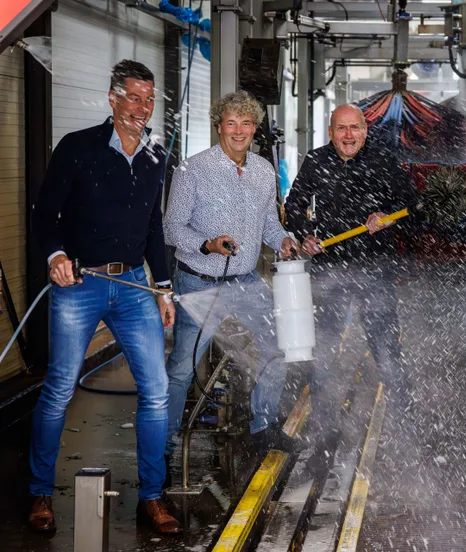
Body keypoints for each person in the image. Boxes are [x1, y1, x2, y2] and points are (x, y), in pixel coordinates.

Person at [29, 60, 181, 534]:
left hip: (135, 286)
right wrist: (55, 255)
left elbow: (154, 228)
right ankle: (39, 496)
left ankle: (151, 498)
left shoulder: (157, 157)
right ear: (112, 98)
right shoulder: (77, 149)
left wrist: (164, 288)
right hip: (81, 286)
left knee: (155, 393)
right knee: (58, 391)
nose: (142, 107)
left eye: (149, 98)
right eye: (133, 97)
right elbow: (44, 214)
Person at [163, 91, 299, 466]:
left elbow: (269, 224)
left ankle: (263, 428)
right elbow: (172, 228)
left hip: (245, 282)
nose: (239, 131)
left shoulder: (263, 170)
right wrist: (206, 244)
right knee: (181, 369)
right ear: (218, 125)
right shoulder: (192, 170)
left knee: (276, 348)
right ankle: (164, 446)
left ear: (255, 128)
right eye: (231, 122)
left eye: (247, 123)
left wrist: (284, 241)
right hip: (199, 281)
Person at [284, 103, 417, 459]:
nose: (348, 135)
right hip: (329, 272)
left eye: (354, 128)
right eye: (341, 129)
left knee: (387, 355)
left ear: (365, 130)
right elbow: (294, 205)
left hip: (375, 271)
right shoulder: (315, 161)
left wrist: (387, 217)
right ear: (331, 132)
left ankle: (407, 431)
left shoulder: (384, 161)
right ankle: (323, 431)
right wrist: (305, 235)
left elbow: (412, 205)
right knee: (325, 354)